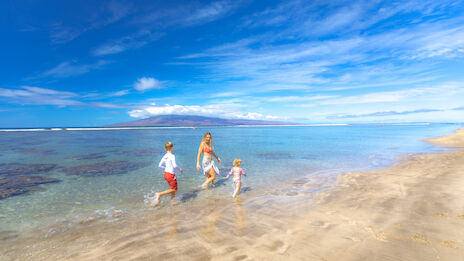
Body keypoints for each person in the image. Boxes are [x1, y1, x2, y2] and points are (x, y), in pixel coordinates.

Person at [153, 142, 183, 206]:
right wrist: (180, 169)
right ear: (172, 148)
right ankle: (160, 194)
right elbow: (174, 166)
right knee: (174, 189)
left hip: (165, 174)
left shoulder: (164, 156)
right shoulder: (172, 156)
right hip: (170, 174)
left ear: (165, 148)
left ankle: (172, 201)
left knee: (172, 188)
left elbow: (159, 165)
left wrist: (166, 168)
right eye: (173, 147)